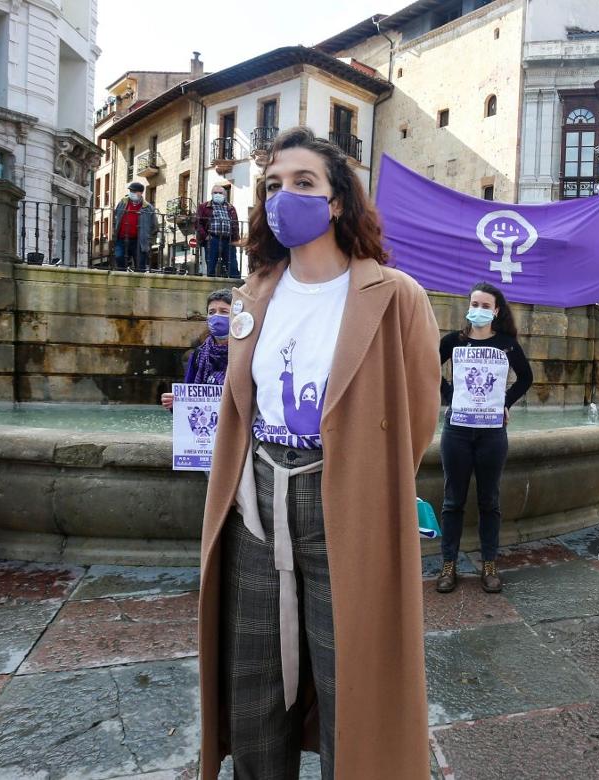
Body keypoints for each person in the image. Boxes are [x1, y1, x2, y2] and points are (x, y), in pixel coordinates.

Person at [196, 127, 440, 779]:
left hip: (344, 505)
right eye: (274, 185)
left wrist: (362, 479)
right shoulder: (254, 296)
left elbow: (418, 417)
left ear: (337, 203)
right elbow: (241, 407)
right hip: (256, 504)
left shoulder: (394, 296)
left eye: (304, 183)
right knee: (253, 685)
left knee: (350, 682)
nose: (285, 196)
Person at [435, 282, 533, 595]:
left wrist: (505, 401)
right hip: (457, 431)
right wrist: (449, 394)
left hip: (492, 433)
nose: (477, 309)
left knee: (490, 501)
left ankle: (489, 564)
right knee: (453, 501)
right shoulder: (453, 342)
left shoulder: (507, 344)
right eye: (473, 303)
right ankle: (448, 564)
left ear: (496, 310)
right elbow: (427, 368)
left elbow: (526, 378)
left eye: (484, 305)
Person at [160, 289, 232, 410]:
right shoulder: (199, 354)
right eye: (211, 312)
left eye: (224, 311)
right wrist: (175, 403)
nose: (216, 316)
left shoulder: (248, 354)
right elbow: (188, 395)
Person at [195, 183, 242, 278]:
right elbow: (197, 222)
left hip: (228, 240)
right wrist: (206, 236)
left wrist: (236, 240)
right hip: (212, 238)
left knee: (233, 266)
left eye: (220, 193)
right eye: (215, 192)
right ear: (211, 194)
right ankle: (211, 286)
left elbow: (235, 224)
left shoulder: (231, 208)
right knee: (211, 266)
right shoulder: (204, 206)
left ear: (225, 195)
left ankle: (236, 286)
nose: (217, 194)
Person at [112, 181, 157, 272]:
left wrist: (148, 240)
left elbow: (154, 225)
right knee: (119, 258)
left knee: (140, 265)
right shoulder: (123, 202)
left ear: (140, 193)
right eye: (130, 191)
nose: (131, 193)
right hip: (121, 239)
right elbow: (116, 216)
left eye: (134, 191)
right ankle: (123, 279)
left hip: (139, 241)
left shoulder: (148, 207)